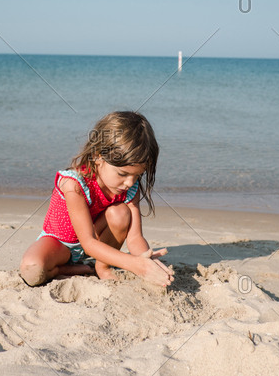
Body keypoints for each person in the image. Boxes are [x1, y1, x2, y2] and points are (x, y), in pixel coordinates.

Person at [19, 111, 174, 287]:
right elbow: (88, 242)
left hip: (100, 244)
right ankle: (65, 269)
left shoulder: (130, 187)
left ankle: (102, 267)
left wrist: (147, 260)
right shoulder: (74, 184)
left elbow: (135, 238)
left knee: (120, 213)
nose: (129, 182)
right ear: (98, 156)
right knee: (32, 270)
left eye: (137, 175)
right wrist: (133, 264)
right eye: (122, 174)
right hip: (60, 243)